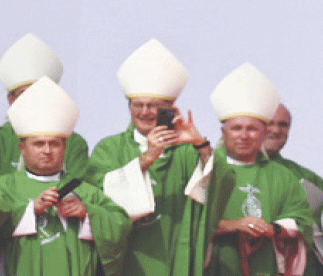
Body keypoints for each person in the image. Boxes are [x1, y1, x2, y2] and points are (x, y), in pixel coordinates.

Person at [84, 38, 234, 276]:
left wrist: (200, 144)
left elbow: (221, 185)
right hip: (125, 258)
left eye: (153, 106)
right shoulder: (109, 148)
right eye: (137, 105)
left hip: (172, 256)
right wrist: (145, 159)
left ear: (170, 109)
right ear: (129, 107)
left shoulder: (187, 152)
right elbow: (94, 196)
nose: (144, 112)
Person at [0, 77, 131, 276]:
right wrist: (29, 209)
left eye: (54, 144)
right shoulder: (2, 188)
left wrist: (88, 213)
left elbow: (121, 224)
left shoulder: (85, 191)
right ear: (22, 148)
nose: (47, 150)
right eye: (39, 144)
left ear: (64, 147)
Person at [207, 62, 313, 276]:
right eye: (236, 128)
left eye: (252, 129)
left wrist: (274, 228)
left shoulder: (281, 175)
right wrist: (233, 225)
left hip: (265, 265)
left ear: (263, 133)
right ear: (223, 132)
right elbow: (187, 223)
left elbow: (302, 220)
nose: (244, 136)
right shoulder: (206, 169)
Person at [0, 33, 88, 179]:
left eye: (39, 92)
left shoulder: (74, 143)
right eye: (23, 94)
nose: (31, 100)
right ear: (10, 99)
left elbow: (79, 191)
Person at [264, 103, 323, 276]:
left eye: (283, 125)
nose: (276, 130)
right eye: (269, 123)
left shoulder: (306, 177)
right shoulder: (228, 169)